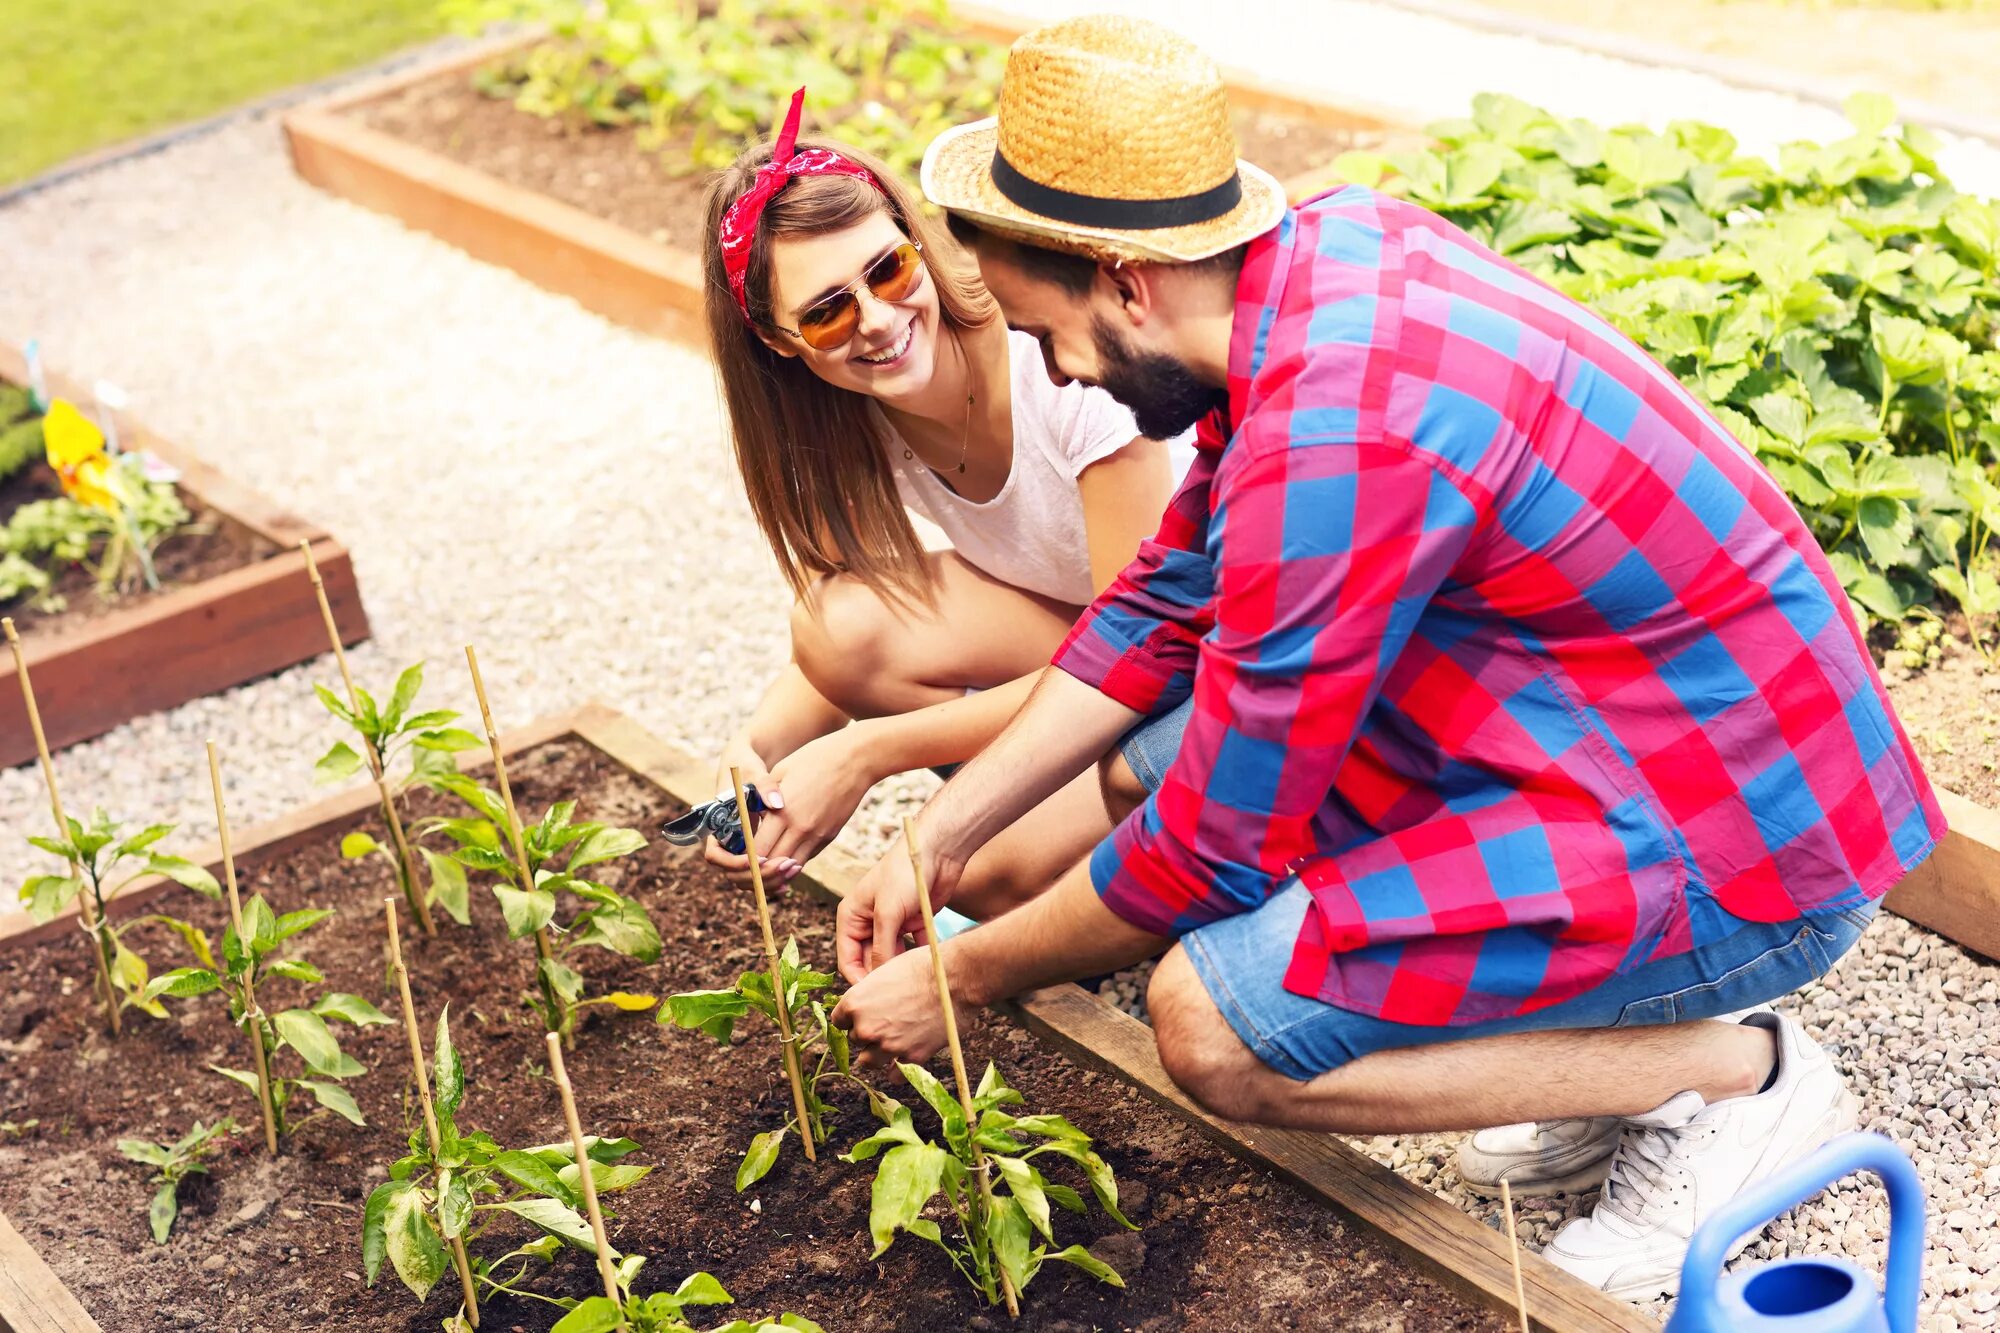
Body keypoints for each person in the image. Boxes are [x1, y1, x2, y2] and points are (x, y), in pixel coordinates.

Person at [828, 15, 1944, 1301]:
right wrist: (943, 837)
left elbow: (1213, 847)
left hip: (1739, 832)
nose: (1057, 366)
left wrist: (964, 973)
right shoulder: (1320, 260)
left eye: (1044, 334)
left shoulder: (1340, 436)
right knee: (1150, 760)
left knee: (1210, 1027)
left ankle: (1735, 1077)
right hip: (1626, 725)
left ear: (1122, 277)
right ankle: (1606, 1044)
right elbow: (1162, 603)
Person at [697, 88, 1185, 911]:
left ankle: (1124, 851)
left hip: (1182, 661)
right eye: (825, 313)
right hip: (1089, 635)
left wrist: (868, 754)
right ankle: (1058, 827)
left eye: (888, 269)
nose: (879, 321)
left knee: (976, 880)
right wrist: (750, 751)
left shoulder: (1057, 363)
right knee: (835, 625)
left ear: (916, 241)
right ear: (779, 343)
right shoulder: (854, 413)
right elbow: (837, 659)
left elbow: (1133, 662)